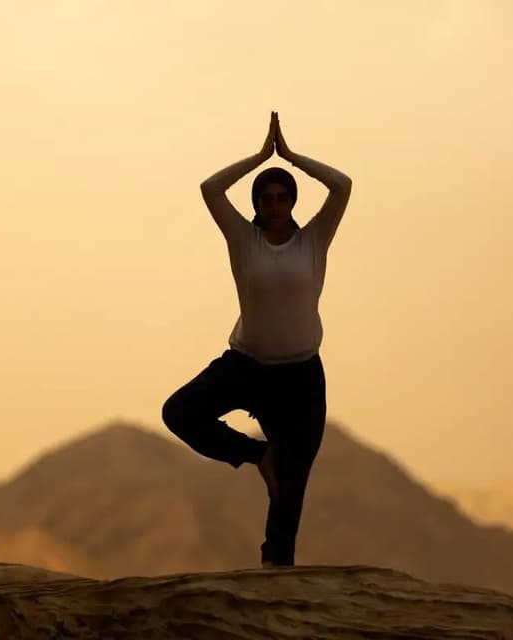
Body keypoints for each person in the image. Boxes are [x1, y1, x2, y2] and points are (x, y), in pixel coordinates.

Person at [161, 111, 352, 568]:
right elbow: (210, 189)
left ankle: (275, 570)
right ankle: (257, 455)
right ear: (256, 203)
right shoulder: (243, 239)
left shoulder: (314, 240)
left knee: (292, 483)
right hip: (246, 365)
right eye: (265, 197)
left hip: (302, 375)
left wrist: (289, 156)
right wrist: (258, 157)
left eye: (283, 196)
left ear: (292, 201)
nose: (274, 204)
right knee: (180, 412)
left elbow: (342, 185)